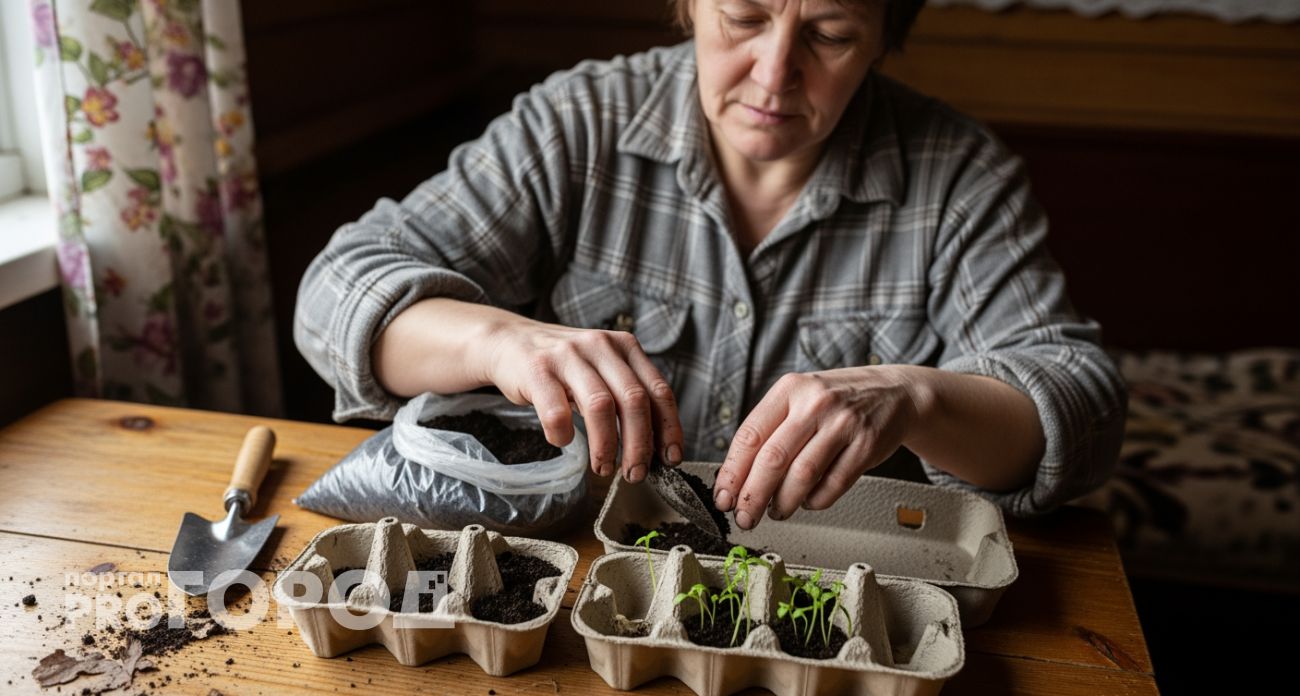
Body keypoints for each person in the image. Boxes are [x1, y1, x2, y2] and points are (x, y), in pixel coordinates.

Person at [294, 0, 1126, 530]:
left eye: (830, 35)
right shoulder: (577, 123)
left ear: (883, 40)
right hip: (583, 565)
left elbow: (1079, 404)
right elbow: (336, 293)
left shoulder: (958, 176)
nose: (773, 75)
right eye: (744, 17)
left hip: (840, 580)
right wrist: (503, 342)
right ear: (688, 5)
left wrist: (913, 398)